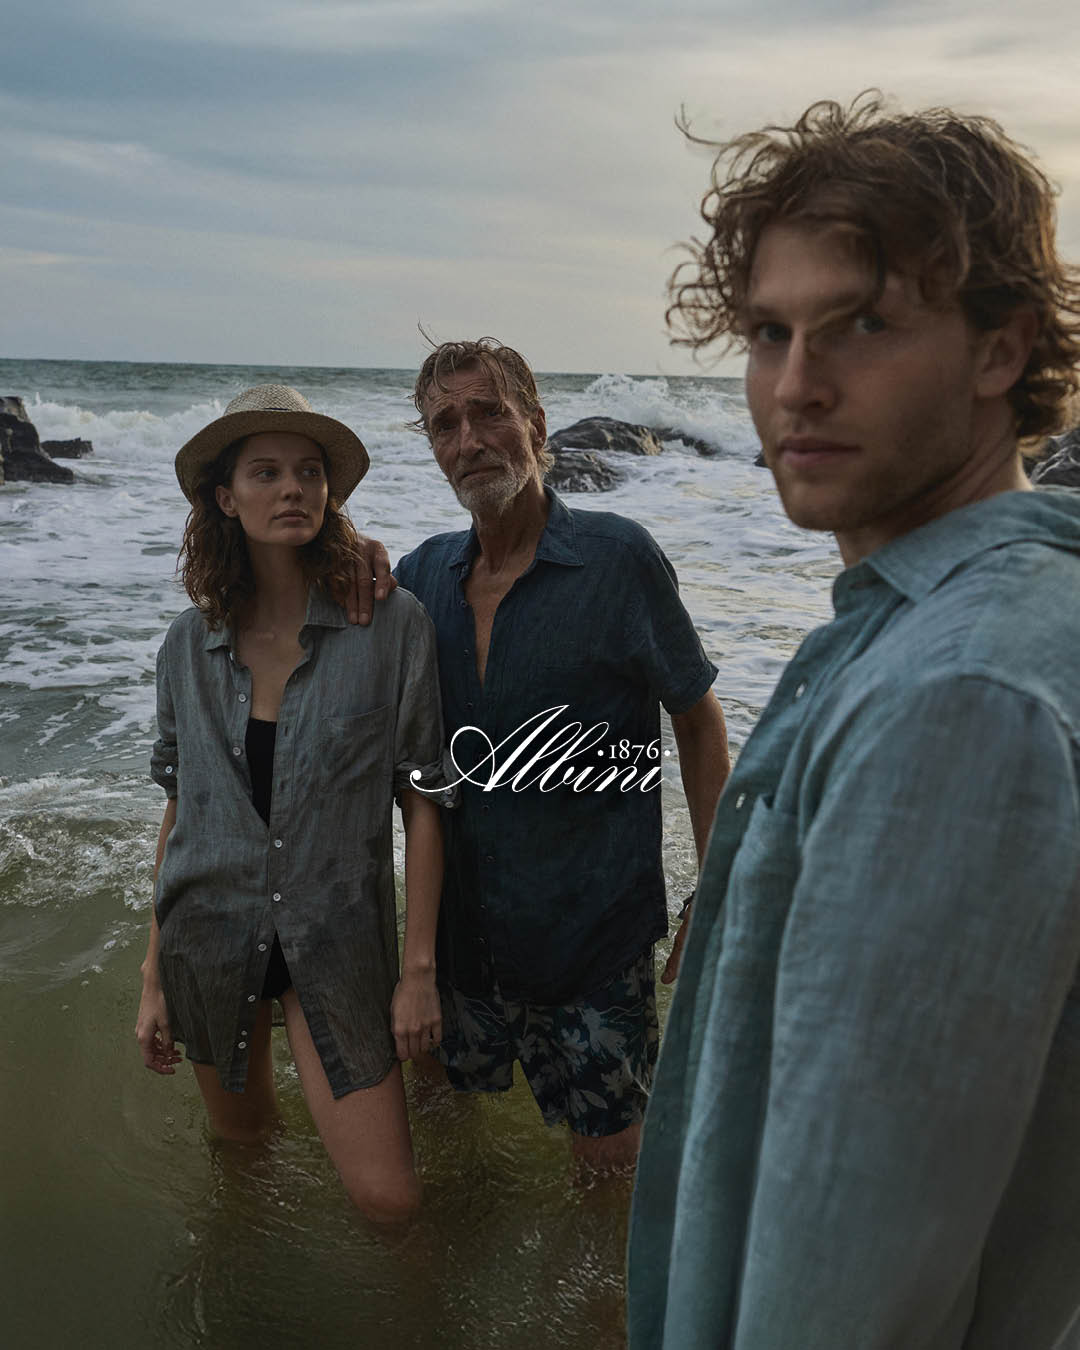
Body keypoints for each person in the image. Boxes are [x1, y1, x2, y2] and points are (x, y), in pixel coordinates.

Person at [628, 94, 1080, 1347]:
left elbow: (844, 1282)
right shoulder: (950, 624)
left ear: (1000, 351)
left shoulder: (959, 698)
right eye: (769, 334)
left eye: (863, 325)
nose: (795, 387)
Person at [393, 338, 731, 1171]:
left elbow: (697, 722)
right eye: (444, 425)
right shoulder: (421, 579)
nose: (468, 440)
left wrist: (717, 890)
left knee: (609, 1174)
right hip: (463, 947)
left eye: (489, 414)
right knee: (448, 1151)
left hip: (593, 944)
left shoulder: (618, 560)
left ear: (536, 425)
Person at [134, 384, 450, 1222]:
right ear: (224, 498)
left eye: (309, 471)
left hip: (334, 941)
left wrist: (417, 974)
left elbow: (425, 799)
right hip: (208, 938)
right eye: (266, 472)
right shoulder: (187, 645)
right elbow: (182, 812)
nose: (293, 489)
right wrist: (152, 974)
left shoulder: (391, 626)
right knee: (245, 1160)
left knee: (389, 1203)